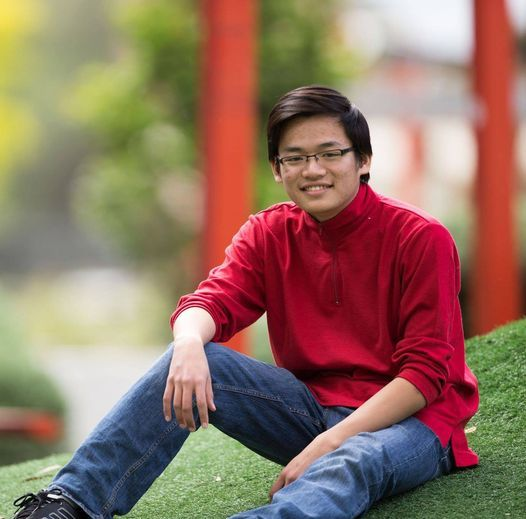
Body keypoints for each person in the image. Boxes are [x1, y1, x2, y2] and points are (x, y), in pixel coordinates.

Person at [12, 85, 479, 519]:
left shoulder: (421, 237)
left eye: (329, 153)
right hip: (311, 412)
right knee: (190, 354)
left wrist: (329, 445)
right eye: (295, 158)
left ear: (363, 160)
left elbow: (424, 375)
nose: (313, 170)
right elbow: (211, 302)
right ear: (277, 169)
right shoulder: (269, 232)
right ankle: (69, 503)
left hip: (413, 425)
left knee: (354, 460)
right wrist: (188, 345)